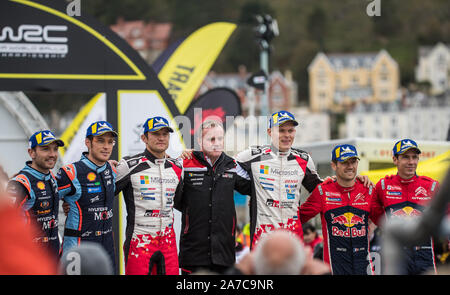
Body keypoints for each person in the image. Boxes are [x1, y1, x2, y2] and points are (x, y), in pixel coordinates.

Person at [234, 111, 371, 248]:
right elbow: (227, 170)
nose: (287, 135)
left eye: (291, 130)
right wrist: (253, 190)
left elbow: (322, 189)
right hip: (262, 241)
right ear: (270, 132)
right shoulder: (252, 156)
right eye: (281, 130)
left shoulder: (304, 159)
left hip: (294, 241)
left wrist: (352, 179)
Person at [174, 120, 251, 275]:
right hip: (194, 252)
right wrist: (193, 211)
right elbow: (175, 199)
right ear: (200, 141)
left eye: (220, 139)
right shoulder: (185, 163)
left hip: (224, 253)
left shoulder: (232, 164)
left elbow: (254, 188)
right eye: (211, 139)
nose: (217, 143)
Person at [115, 116, 183, 275]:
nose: (161, 138)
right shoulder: (129, 166)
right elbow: (105, 194)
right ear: (144, 138)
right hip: (140, 242)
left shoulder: (177, 167)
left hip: (168, 244)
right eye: (156, 134)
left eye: (165, 134)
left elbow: (183, 203)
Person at [300, 144, 378, 275]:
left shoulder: (368, 190)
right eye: (344, 162)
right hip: (335, 268)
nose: (350, 166)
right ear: (334, 165)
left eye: (353, 161)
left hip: (364, 268)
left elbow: (386, 220)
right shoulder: (323, 191)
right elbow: (298, 217)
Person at [57, 121, 118, 272]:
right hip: (78, 247)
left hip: (107, 245)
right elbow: (43, 197)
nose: (106, 146)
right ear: (88, 142)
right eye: (100, 140)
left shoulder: (112, 169)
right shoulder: (71, 173)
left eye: (110, 142)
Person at [373, 139, 440, 275]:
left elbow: (445, 215)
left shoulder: (431, 185)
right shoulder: (383, 186)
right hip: (397, 254)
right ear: (395, 159)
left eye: (415, 157)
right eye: (405, 157)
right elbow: (374, 214)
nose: (411, 162)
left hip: (425, 253)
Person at [6, 130, 64, 258]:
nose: (52, 154)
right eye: (45, 149)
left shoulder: (52, 178)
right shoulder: (20, 183)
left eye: (55, 149)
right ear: (31, 153)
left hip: (52, 258)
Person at [225, 229, 331, 275]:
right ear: (303, 268)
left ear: (252, 267)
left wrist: (240, 270)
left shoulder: (246, 264)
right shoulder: (311, 267)